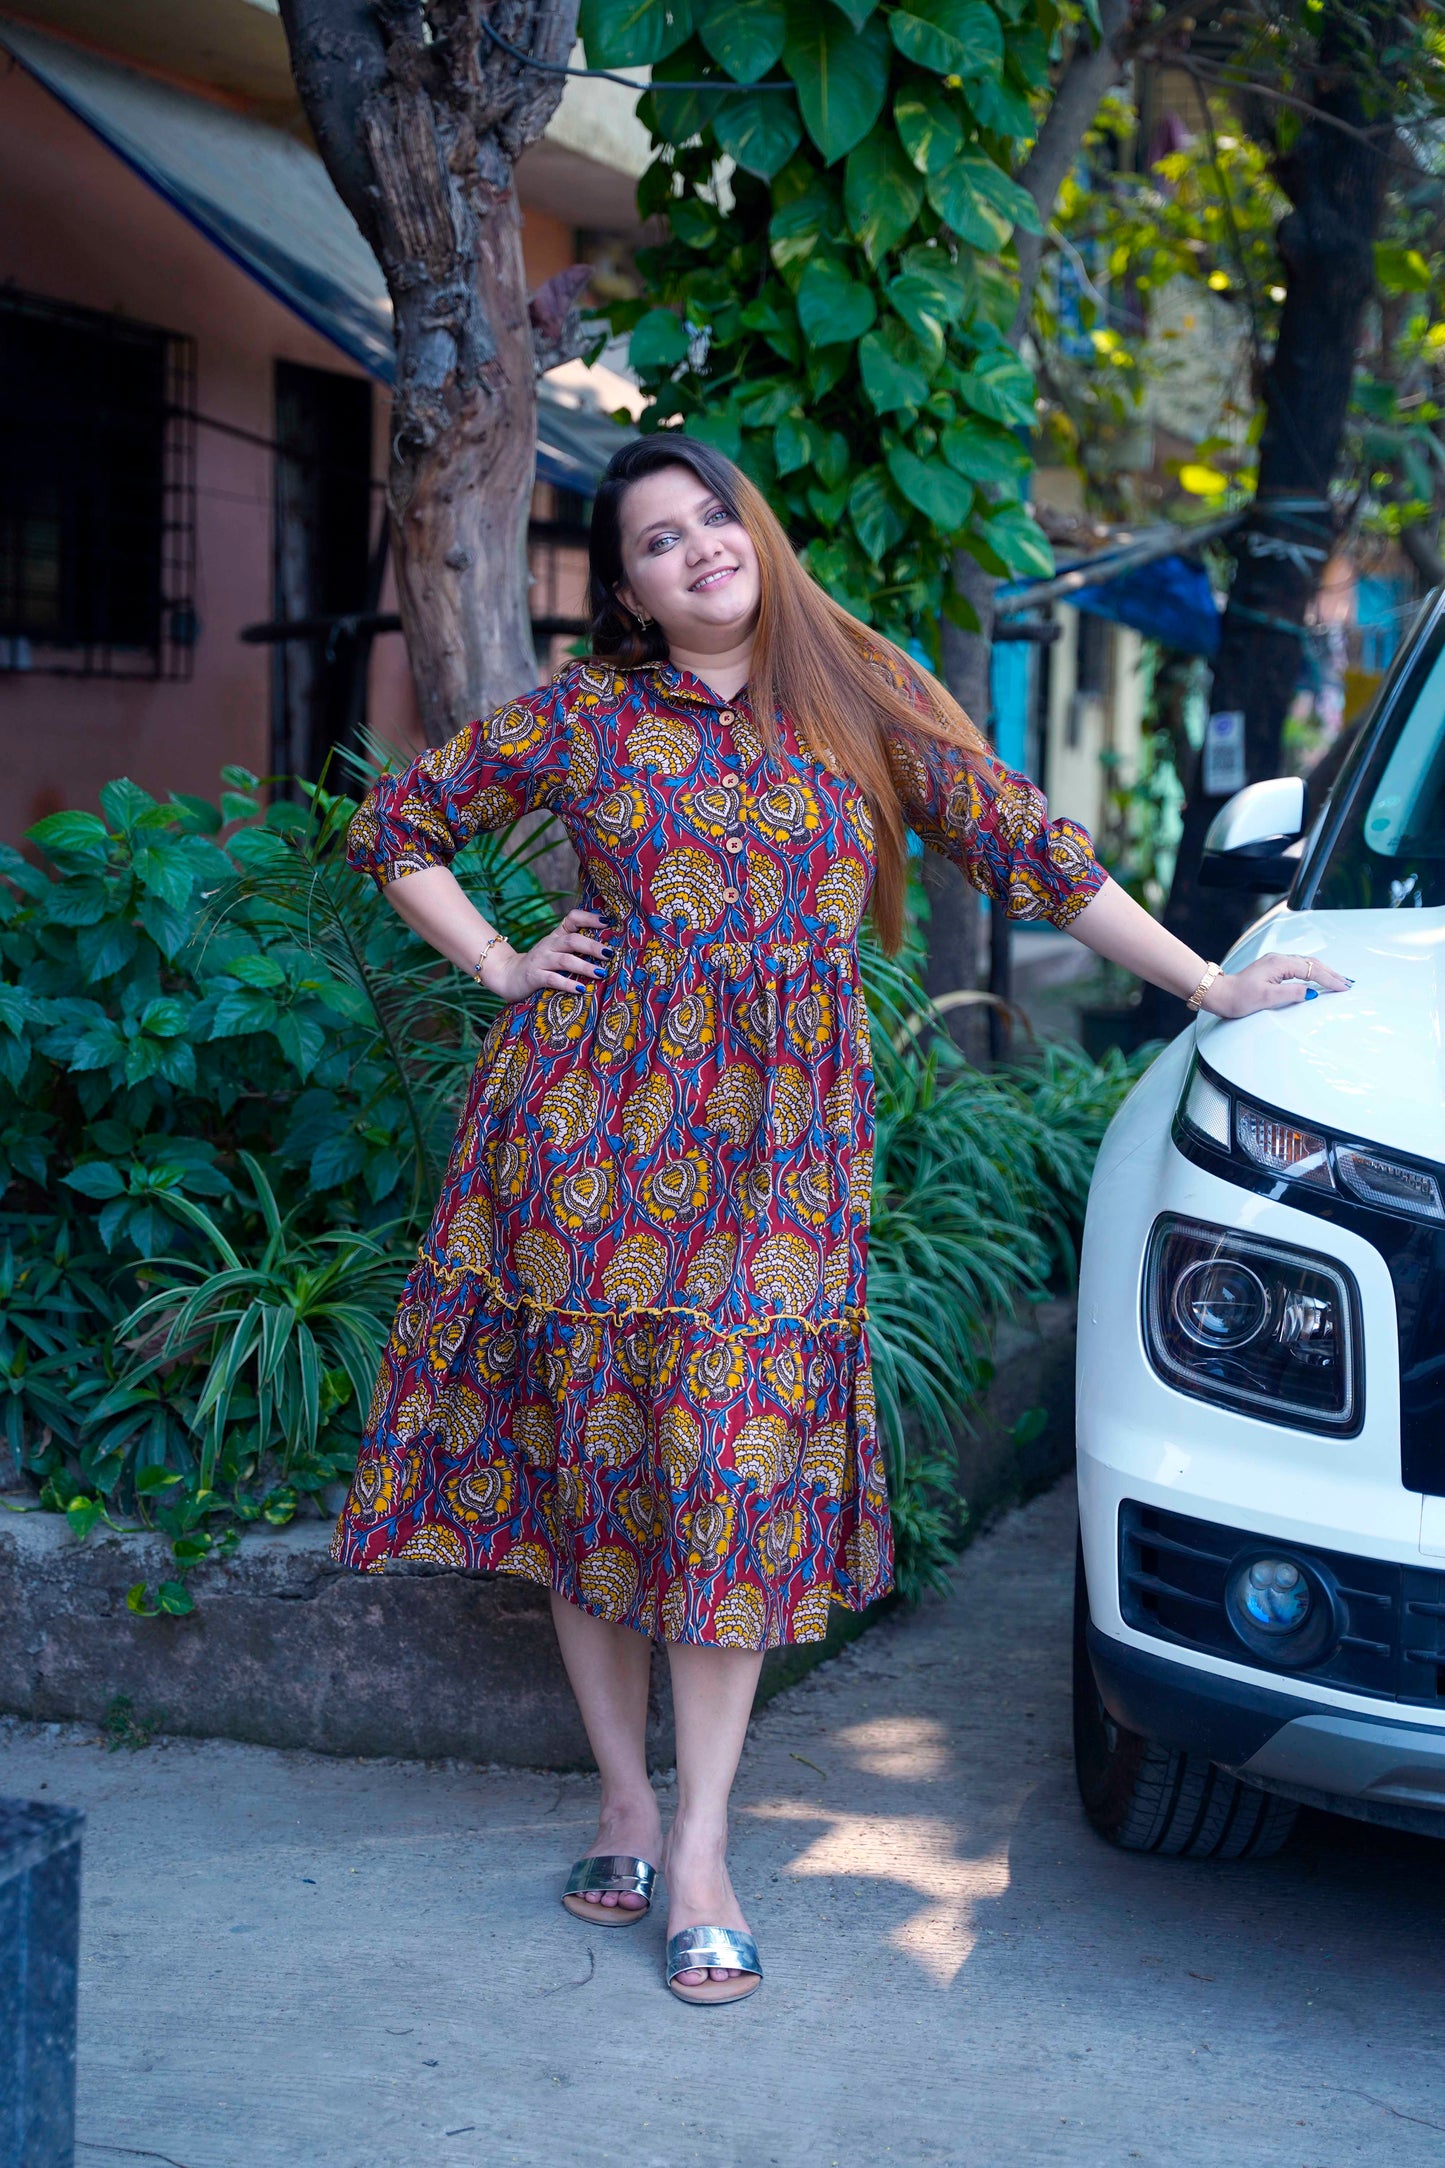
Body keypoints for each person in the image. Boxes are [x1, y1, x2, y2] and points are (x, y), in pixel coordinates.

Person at [331, 437, 1347, 2005]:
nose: (697, 551)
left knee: (731, 1474)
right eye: (657, 542)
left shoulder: (857, 686)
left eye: (712, 516)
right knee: (592, 1475)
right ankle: (619, 1800)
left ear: (757, 524)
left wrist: (1207, 984)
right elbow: (398, 825)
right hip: (581, 1153)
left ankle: (705, 1845)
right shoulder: (589, 718)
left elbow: (1028, 848)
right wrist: (499, 963)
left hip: (782, 1168)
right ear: (626, 588)